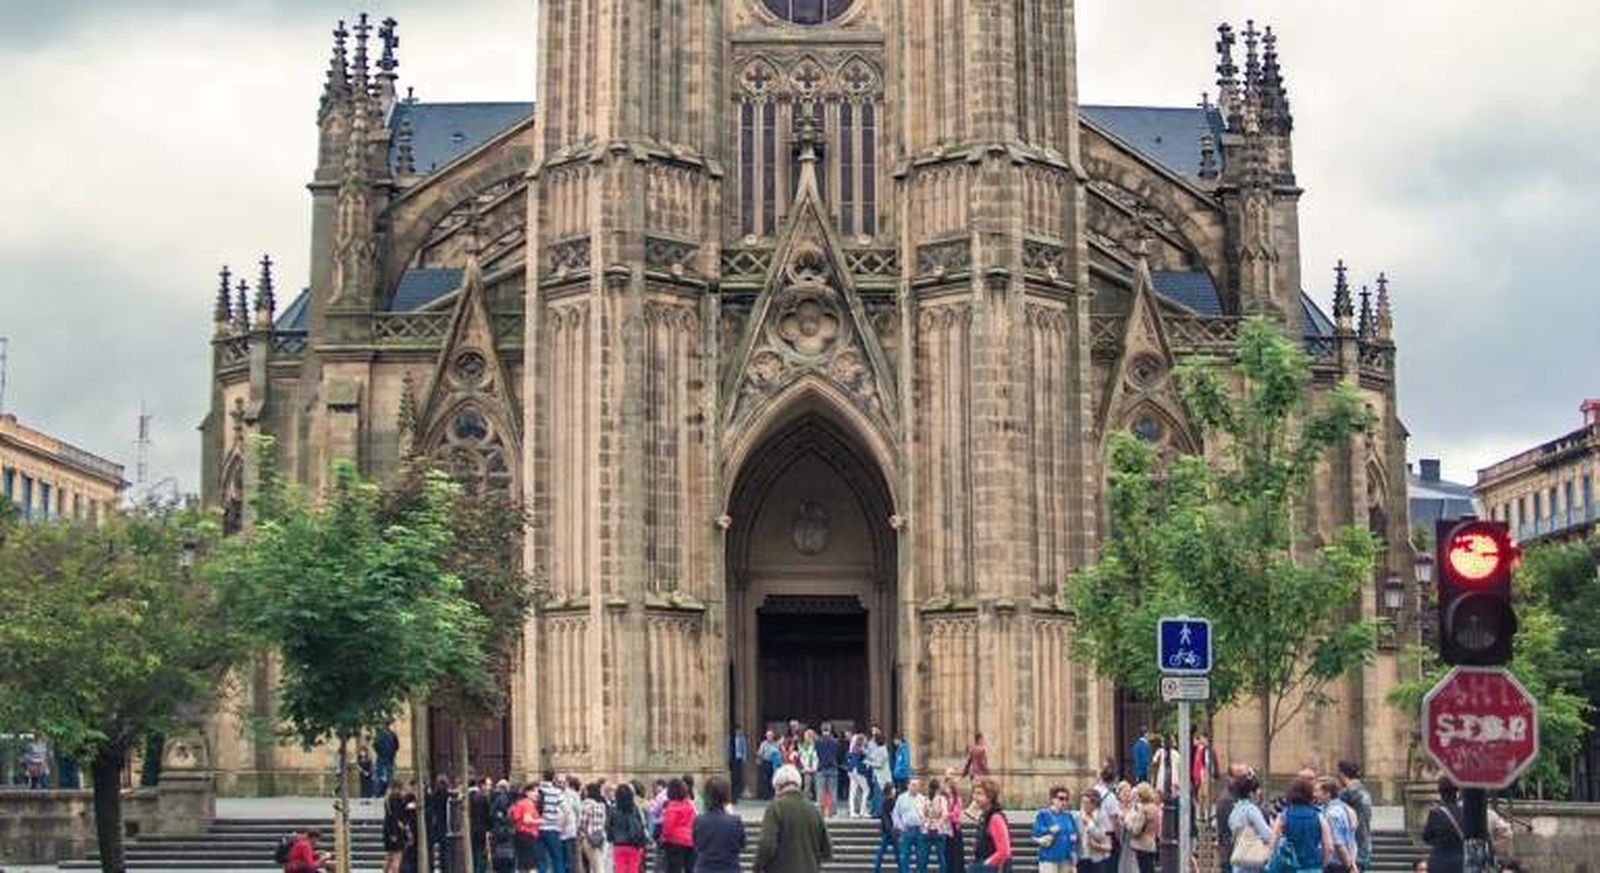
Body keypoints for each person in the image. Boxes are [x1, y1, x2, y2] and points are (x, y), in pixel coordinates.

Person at [754, 764, 832, 873]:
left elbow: (767, 844)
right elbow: (827, 849)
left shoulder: (775, 807)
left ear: (778, 786)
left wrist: (757, 867)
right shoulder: (813, 809)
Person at [1268, 776, 1330, 873]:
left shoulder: (1284, 815)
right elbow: (1329, 847)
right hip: (1313, 867)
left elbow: (1273, 843)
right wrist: (1323, 865)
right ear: (1310, 794)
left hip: (1289, 867)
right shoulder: (1319, 816)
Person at [694, 775, 746, 873]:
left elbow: (696, 844)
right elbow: (742, 844)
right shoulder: (735, 821)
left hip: (704, 868)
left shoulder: (699, 821)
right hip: (730, 868)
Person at [1225, 774, 1271, 873]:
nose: (1259, 796)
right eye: (1258, 793)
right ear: (1251, 794)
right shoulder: (1251, 810)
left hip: (1238, 861)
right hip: (1252, 863)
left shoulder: (1235, 810)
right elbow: (1267, 835)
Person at [1421, 777, 1465, 873]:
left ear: (1440, 793)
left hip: (1440, 862)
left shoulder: (1435, 813)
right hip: (1461, 863)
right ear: (1456, 792)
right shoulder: (1465, 812)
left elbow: (1426, 837)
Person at [1033, 785, 1081, 873]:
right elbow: (1036, 832)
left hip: (1066, 859)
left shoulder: (1069, 816)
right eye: (1061, 798)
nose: (1064, 802)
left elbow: (1074, 835)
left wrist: (1074, 851)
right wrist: (1049, 830)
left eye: (1066, 799)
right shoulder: (1043, 814)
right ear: (1053, 799)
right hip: (1049, 858)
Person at [1336, 761, 1374, 871]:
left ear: (1342, 774)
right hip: (1365, 844)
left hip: (1354, 847)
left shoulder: (1348, 792)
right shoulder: (1363, 790)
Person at [1315, 778, 1358, 873]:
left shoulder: (1332, 814)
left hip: (1335, 865)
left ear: (1328, 794)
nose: (1315, 794)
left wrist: (1350, 867)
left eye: (1317, 791)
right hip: (1346, 860)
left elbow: (1338, 843)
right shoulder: (1347, 809)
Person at [970, 779, 1012, 873]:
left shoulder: (995, 818)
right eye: (974, 793)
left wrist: (985, 865)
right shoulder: (985, 816)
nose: (974, 797)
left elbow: (1004, 851)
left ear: (990, 797)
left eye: (979, 794)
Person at [607, 783, 650, 873]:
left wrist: (611, 838)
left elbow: (609, 828)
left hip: (618, 845)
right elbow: (641, 825)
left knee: (620, 869)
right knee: (633, 869)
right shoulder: (635, 809)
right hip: (633, 844)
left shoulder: (613, 810)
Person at [893, 777, 931, 873]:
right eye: (913, 785)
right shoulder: (901, 798)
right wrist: (901, 826)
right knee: (904, 856)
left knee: (921, 857)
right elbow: (896, 814)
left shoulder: (922, 799)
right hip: (907, 830)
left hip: (919, 830)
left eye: (917, 785)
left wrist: (926, 825)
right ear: (908, 785)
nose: (915, 787)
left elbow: (928, 814)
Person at [662, 777, 697, 873]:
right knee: (689, 869)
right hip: (689, 841)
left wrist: (664, 838)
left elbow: (668, 827)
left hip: (675, 842)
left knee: (673, 869)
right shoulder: (689, 805)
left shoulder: (671, 806)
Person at [1125, 783, 1160, 873]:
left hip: (1142, 845)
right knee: (1149, 868)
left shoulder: (1144, 810)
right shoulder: (1154, 808)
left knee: (1144, 868)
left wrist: (1128, 823)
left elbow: (1136, 830)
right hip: (1151, 843)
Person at [538, 770, 569, 873]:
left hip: (538, 827)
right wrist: (562, 825)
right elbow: (566, 810)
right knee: (557, 858)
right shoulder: (556, 792)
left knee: (541, 859)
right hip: (552, 827)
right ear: (553, 778)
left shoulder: (538, 791)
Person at [511, 782, 545, 873]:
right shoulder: (529, 804)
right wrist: (541, 821)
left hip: (519, 834)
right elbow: (527, 820)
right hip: (528, 835)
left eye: (537, 791)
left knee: (521, 864)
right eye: (534, 791)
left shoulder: (520, 803)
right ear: (527, 793)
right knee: (531, 865)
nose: (537, 794)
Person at [1077, 789, 1112, 873]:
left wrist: (1090, 824)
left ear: (1094, 804)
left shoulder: (1102, 817)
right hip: (1081, 858)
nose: (1083, 805)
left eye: (1086, 803)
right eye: (1082, 802)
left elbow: (1103, 836)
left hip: (1097, 859)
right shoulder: (1077, 816)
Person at [1093, 767, 1123, 866]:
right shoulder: (1111, 797)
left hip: (1093, 832)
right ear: (1114, 780)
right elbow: (1115, 820)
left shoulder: (1092, 792)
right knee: (1110, 864)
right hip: (1107, 834)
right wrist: (1118, 837)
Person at [578, 782, 609, 873]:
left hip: (588, 839)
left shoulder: (584, 805)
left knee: (586, 867)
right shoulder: (601, 806)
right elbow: (604, 822)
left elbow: (582, 824)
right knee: (599, 865)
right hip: (600, 838)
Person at [384, 781, 414, 873]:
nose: (403, 791)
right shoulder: (396, 801)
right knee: (397, 858)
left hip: (388, 831)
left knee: (389, 857)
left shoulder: (388, 800)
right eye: (402, 789)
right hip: (396, 831)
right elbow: (395, 817)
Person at [874, 783, 902, 873]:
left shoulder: (886, 801)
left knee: (882, 852)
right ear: (890, 791)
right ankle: (902, 870)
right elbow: (887, 817)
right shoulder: (891, 802)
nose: (895, 790)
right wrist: (892, 829)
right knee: (897, 853)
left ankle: (877, 869)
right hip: (891, 830)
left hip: (888, 830)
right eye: (893, 789)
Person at [491, 780, 518, 873]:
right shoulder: (504, 798)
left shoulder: (496, 797)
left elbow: (493, 813)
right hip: (506, 831)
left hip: (499, 831)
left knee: (501, 855)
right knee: (508, 857)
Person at [815, 725, 841, 818]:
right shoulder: (836, 742)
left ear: (821, 730)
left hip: (821, 768)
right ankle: (833, 812)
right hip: (833, 768)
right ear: (830, 730)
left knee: (820, 791)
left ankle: (820, 812)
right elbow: (838, 754)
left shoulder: (817, 742)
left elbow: (816, 754)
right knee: (833, 791)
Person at [868, 729, 893, 814]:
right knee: (877, 794)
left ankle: (878, 812)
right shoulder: (882, 749)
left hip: (881, 776)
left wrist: (869, 763)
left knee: (879, 795)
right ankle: (875, 811)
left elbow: (878, 764)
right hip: (880, 775)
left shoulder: (881, 750)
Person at [847, 733, 871, 818]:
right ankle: (862, 811)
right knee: (866, 790)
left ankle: (852, 812)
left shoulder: (852, 750)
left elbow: (849, 759)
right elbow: (864, 761)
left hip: (851, 772)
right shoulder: (861, 751)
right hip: (859, 772)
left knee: (852, 792)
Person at [373, 727, 400, 796]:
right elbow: (397, 746)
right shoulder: (392, 734)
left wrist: (380, 753)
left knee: (381, 775)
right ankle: (387, 791)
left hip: (383, 758)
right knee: (388, 775)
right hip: (389, 758)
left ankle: (380, 791)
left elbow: (375, 745)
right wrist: (393, 753)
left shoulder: (379, 734)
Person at [759, 730, 782, 801]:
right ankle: (765, 795)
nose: (770, 737)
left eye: (771, 735)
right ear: (766, 736)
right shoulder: (763, 744)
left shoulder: (775, 744)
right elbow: (760, 753)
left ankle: (771, 795)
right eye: (768, 735)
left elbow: (779, 752)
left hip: (773, 763)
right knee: (765, 779)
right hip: (766, 762)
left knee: (773, 779)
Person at [798, 729, 820, 800]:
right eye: (807, 735)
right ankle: (806, 801)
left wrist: (815, 767)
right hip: (806, 769)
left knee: (817, 786)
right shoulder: (802, 746)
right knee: (807, 786)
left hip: (816, 768)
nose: (809, 737)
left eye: (810, 735)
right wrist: (806, 767)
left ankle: (818, 801)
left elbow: (818, 756)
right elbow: (801, 757)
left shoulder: (817, 745)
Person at [731, 726, 750, 800]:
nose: (738, 732)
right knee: (734, 775)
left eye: (739, 731)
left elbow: (744, 748)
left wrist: (744, 758)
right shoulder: (732, 738)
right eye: (737, 731)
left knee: (739, 775)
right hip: (733, 758)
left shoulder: (742, 738)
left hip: (739, 758)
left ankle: (739, 791)